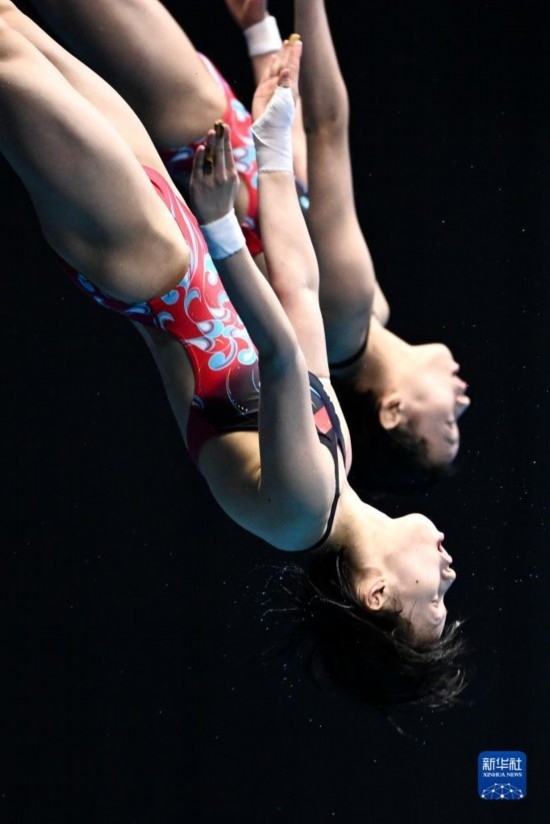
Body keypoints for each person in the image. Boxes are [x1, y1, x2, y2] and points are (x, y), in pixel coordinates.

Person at [0, 1, 466, 713]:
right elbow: (298, 289)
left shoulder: (299, 516)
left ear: (376, 595)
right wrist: (272, 136)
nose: (449, 575)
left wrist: (221, 226)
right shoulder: (335, 467)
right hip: (170, 243)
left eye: (433, 602)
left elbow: (279, 357)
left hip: (143, 264)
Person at [227, 0, 472, 492]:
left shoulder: (344, 316)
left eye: (448, 422)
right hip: (217, 129)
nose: (464, 400)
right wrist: (261, 34)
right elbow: (290, 156)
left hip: (197, 126)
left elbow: (326, 126)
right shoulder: (363, 316)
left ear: (392, 410)